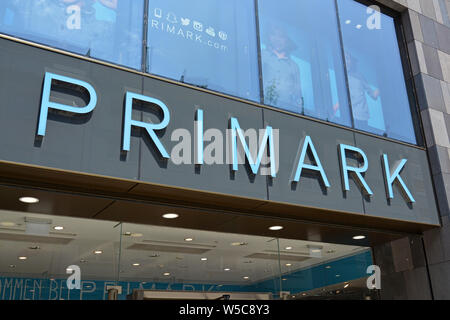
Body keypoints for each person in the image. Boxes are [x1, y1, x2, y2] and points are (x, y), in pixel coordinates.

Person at [261, 25, 303, 114]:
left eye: (281, 36)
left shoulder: (294, 66)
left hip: (285, 111)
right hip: (264, 105)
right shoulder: (262, 55)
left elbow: (297, 94)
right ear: (269, 37)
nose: (277, 39)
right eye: (273, 35)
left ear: (287, 41)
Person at [345, 53, 380, 131]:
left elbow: (372, 94)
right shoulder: (343, 76)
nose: (347, 62)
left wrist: (381, 88)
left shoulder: (359, 76)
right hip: (351, 115)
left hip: (362, 115)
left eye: (348, 59)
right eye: (346, 59)